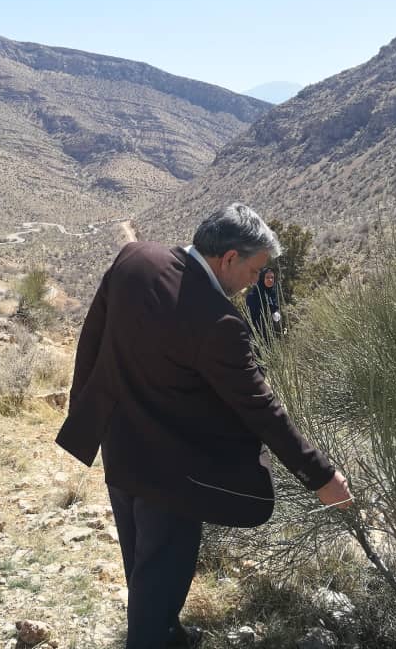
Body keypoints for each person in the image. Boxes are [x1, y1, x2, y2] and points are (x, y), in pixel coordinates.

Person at [56, 203, 351, 649]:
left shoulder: (136, 258)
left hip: (120, 444)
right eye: (254, 270)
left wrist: (87, 410)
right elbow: (260, 408)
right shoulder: (217, 321)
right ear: (229, 258)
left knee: (141, 561)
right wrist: (321, 476)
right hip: (173, 468)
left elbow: (93, 337)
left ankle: (168, 633)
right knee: (162, 570)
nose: (255, 281)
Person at [245, 267, 282, 344]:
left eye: (272, 277)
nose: (270, 280)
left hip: (270, 334)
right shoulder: (253, 296)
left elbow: (275, 308)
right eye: (267, 277)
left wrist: (276, 314)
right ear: (262, 278)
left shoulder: (272, 293)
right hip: (255, 336)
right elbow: (252, 318)